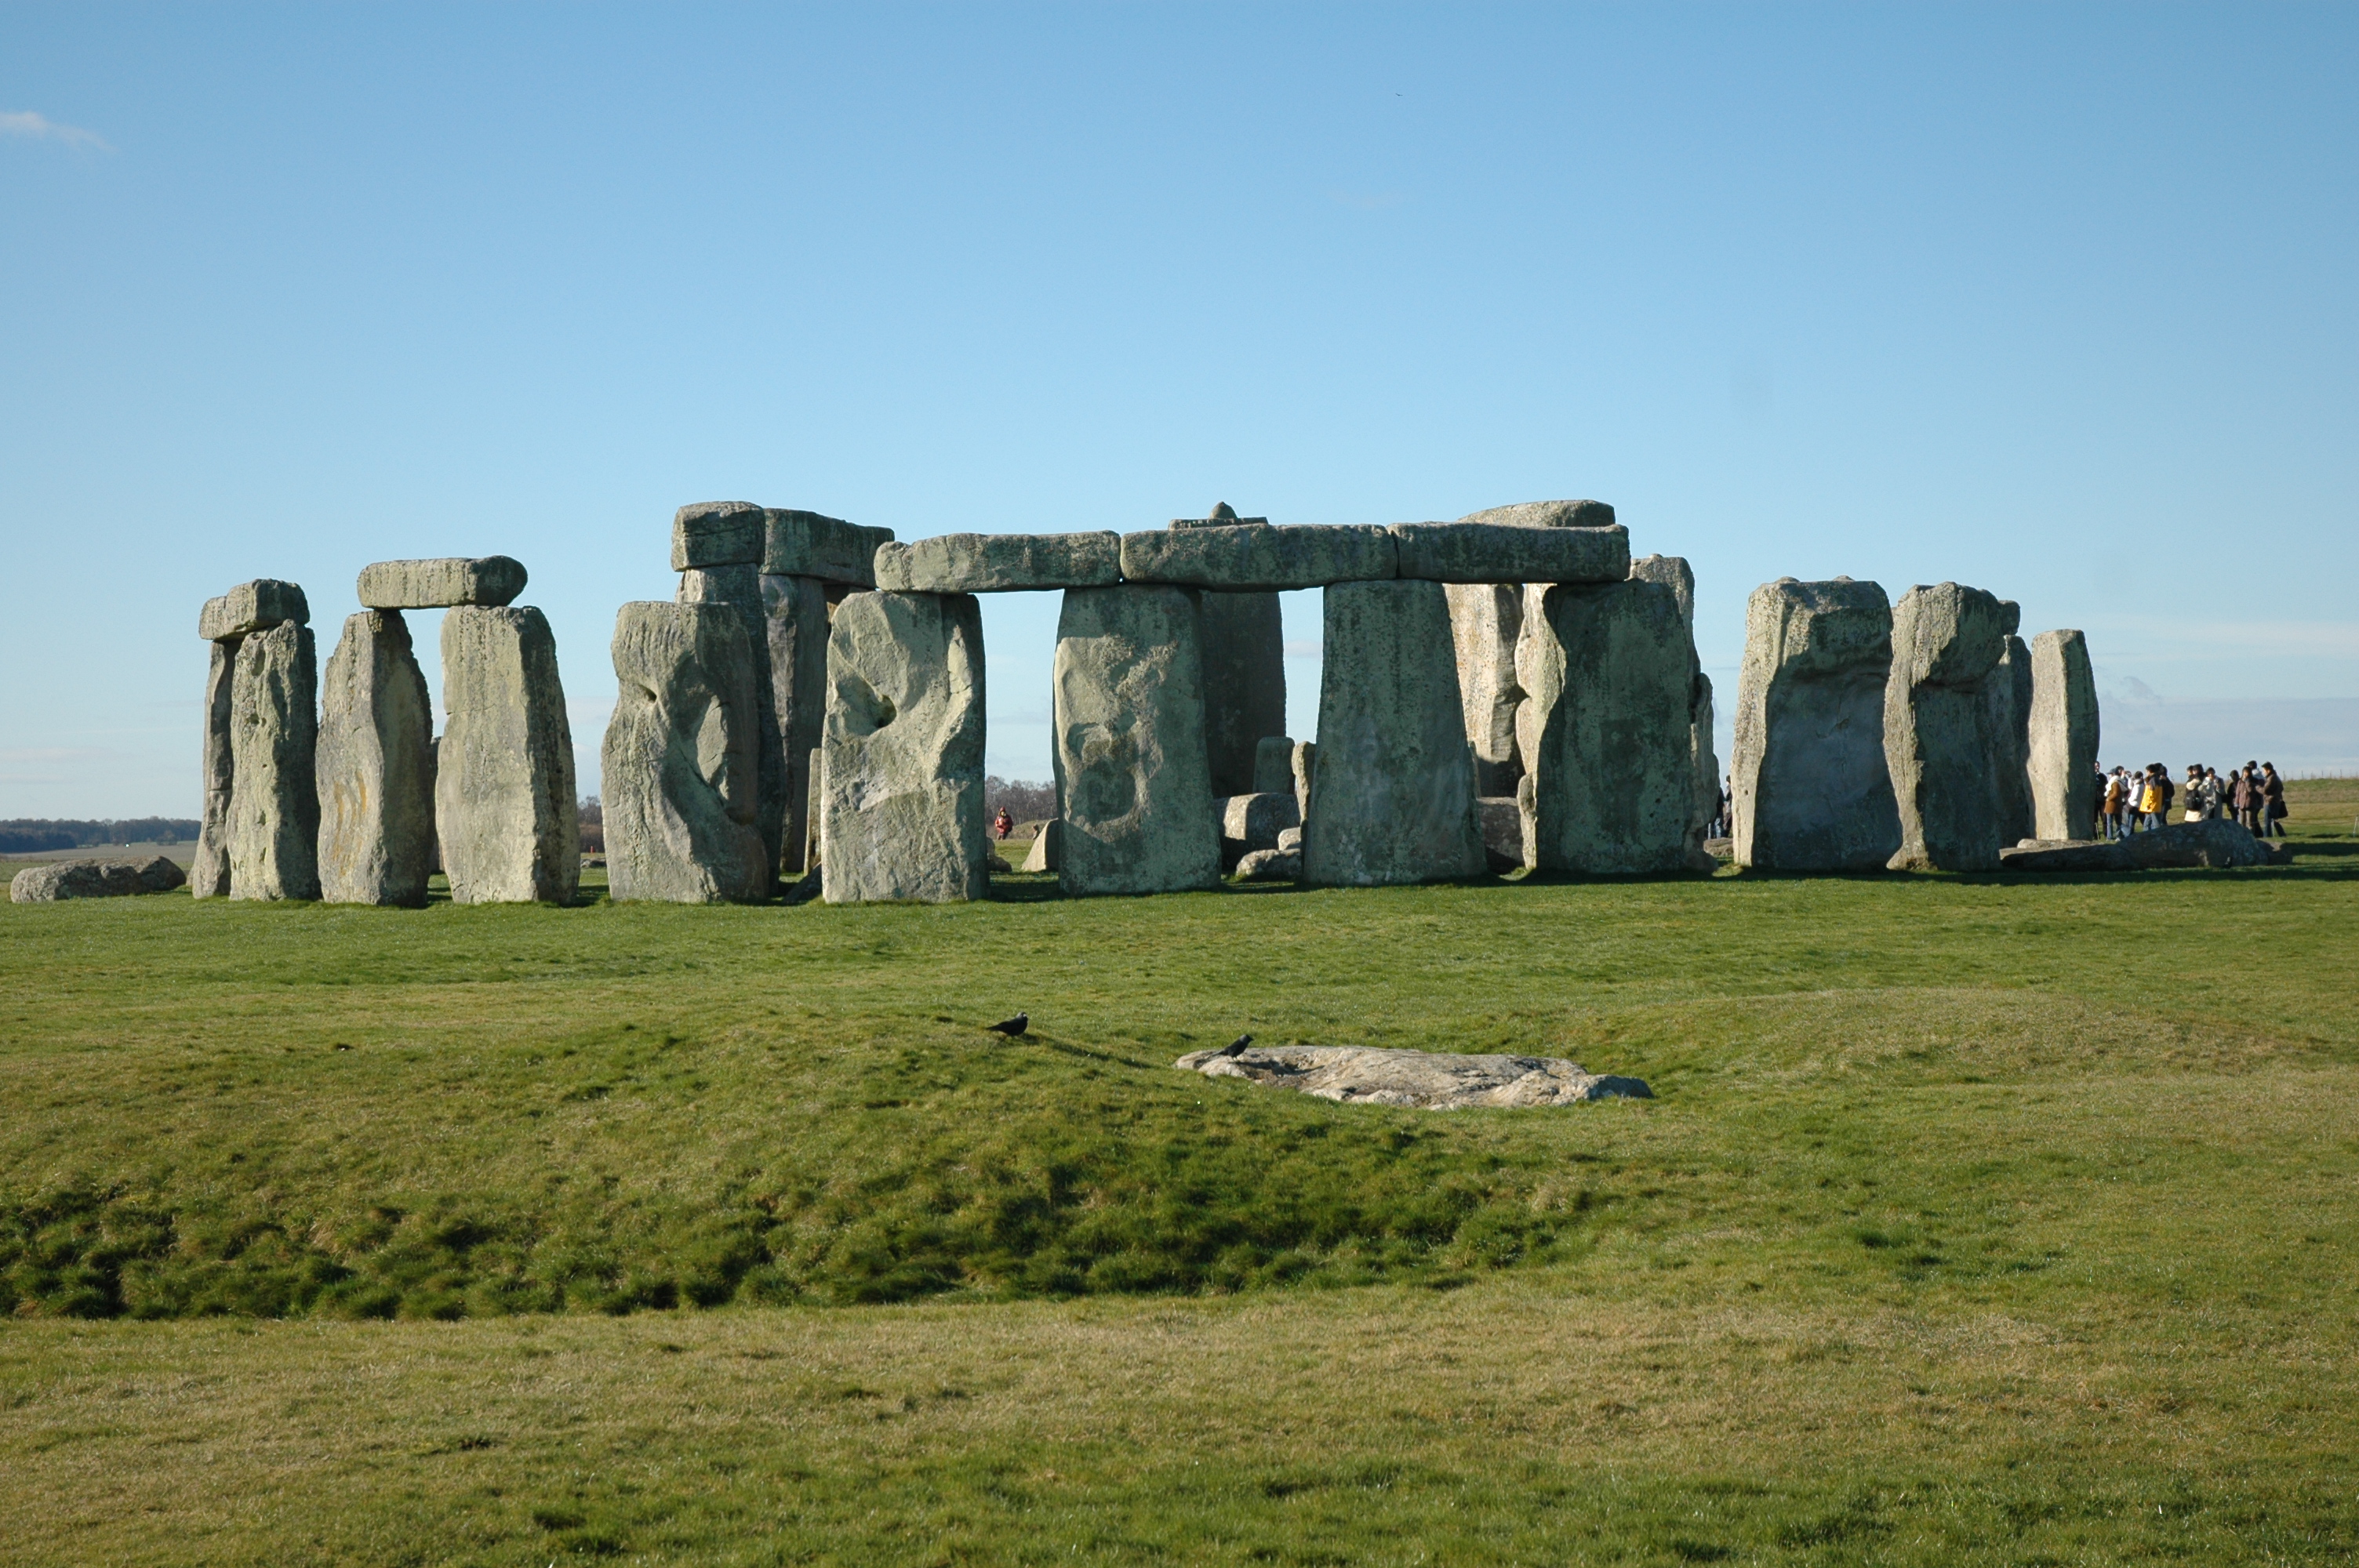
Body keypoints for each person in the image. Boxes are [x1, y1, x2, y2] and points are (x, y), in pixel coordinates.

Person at [2262, 762, 2287, 839]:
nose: (2263, 772)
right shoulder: (2276, 777)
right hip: (2276, 801)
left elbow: (2265, 790)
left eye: (2264, 770)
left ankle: (2267, 836)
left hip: (2270, 802)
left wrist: (2257, 788)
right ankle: (2282, 834)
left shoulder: (2271, 778)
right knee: (2274, 820)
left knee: (2268, 821)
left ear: (2268, 770)